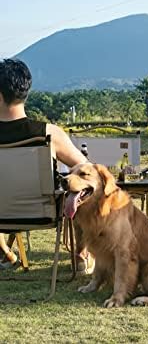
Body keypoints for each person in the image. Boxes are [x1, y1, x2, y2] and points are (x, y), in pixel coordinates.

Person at [0, 58, 93, 273]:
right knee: (84, 187)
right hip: (44, 211)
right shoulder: (49, 133)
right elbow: (86, 169)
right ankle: (81, 254)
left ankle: (5, 252)